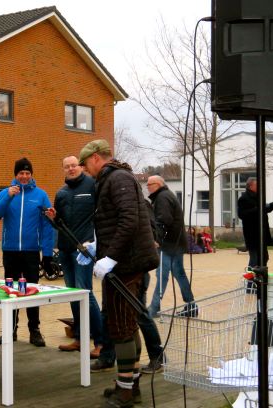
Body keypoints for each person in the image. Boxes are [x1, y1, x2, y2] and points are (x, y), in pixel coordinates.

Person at [77, 140, 159, 408]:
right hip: (124, 263)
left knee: (122, 327)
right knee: (127, 325)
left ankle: (125, 392)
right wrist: (97, 246)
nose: (85, 169)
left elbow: (129, 220)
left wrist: (110, 257)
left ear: (96, 158)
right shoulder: (113, 178)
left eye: (85, 164)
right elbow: (115, 222)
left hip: (126, 265)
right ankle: (130, 385)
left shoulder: (117, 178)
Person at [0, 157, 54, 347]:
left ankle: (35, 330)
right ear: (15, 175)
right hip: (10, 251)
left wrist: (47, 254)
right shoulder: (6, 193)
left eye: (27, 173)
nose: (24, 176)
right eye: (21, 173)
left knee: (32, 291)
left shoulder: (41, 195)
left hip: (31, 252)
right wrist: (7, 196)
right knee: (11, 292)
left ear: (31, 175)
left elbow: (47, 226)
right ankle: (10, 330)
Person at [45, 155, 103, 359]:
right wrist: (53, 218)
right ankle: (79, 338)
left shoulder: (93, 186)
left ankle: (101, 342)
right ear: (63, 169)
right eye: (66, 166)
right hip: (65, 249)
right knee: (72, 294)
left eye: (74, 165)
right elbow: (58, 224)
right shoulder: (61, 193)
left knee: (85, 293)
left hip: (84, 250)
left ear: (81, 166)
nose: (71, 169)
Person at [146, 175, 197, 318]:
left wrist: (157, 239)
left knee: (162, 275)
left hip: (168, 245)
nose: (147, 187)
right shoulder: (166, 195)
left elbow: (163, 221)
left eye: (149, 184)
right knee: (179, 274)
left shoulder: (162, 197)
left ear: (158, 184)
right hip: (175, 243)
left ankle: (154, 308)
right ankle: (191, 306)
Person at [237, 177, 272, 268]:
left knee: (264, 257)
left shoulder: (259, 197)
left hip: (262, 233)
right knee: (255, 259)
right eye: (257, 185)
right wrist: (258, 209)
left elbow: (265, 209)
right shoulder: (244, 198)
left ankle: (260, 275)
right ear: (250, 186)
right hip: (252, 234)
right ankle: (251, 277)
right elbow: (241, 214)